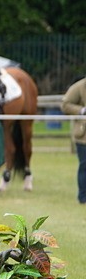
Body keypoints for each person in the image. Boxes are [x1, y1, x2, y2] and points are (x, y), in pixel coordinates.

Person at [61, 75, 86, 204]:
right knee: (84, 166)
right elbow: (65, 104)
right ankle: (83, 197)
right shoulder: (80, 86)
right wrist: (81, 110)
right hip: (84, 136)